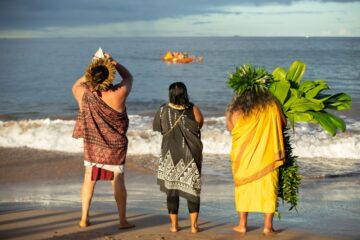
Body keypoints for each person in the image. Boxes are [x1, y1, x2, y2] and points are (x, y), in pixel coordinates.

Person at [72, 52, 135, 229]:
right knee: (118, 180)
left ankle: (84, 218)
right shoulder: (119, 94)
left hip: (93, 145)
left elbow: (76, 84)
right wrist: (114, 63)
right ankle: (122, 220)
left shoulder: (83, 94)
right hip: (115, 147)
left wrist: (93, 67)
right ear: (109, 75)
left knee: (89, 179)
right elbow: (129, 76)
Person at [226, 88, 286, 235]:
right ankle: (267, 227)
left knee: (243, 189)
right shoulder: (272, 105)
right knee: (268, 191)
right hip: (267, 156)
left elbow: (231, 128)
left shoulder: (237, 110)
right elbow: (283, 123)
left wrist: (229, 114)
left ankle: (242, 225)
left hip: (244, 157)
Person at [153, 82, 204, 233]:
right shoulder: (192, 108)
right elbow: (199, 124)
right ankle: (194, 227)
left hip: (170, 154)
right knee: (192, 189)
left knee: (172, 190)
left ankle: (174, 226)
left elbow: (158, 127)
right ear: (185, 93)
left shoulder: (163, 109)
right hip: (190, 154)